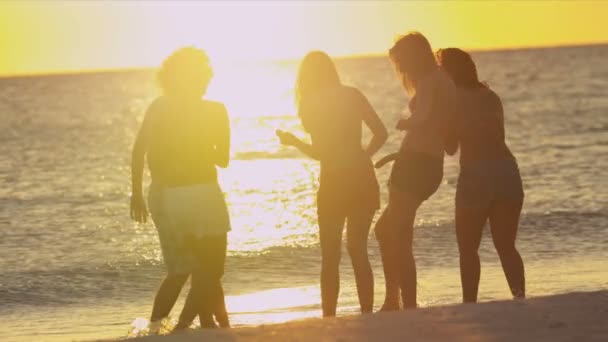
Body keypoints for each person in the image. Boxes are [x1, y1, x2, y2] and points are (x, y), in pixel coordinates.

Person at [277, 51, 388, 317]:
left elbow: (320, 153)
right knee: (358, 249)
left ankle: (329, 318)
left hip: (334, 183)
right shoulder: (353, 94)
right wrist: (364, 157)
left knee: (330, 256)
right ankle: (367, 314)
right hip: (362, 178)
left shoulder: (310, 104)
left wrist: (294, 142)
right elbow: (381, 133)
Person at [130, 47, 231, 332]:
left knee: (201, 270)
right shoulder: (175, 108)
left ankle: (199, 324)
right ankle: (169, 326)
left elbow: (222, 158)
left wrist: (136, 192)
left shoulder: (203, 109)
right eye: (199, 75)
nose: (203, 80)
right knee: (196, 269)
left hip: (189, 193)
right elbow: (140, 151)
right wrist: (136, 193)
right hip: (185, 194)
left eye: (204, 75)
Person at [374, 32, 457, 310]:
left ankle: (401, 301)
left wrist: (404, 124)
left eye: (403, 62)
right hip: (427, 163)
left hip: (416, 164)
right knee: (390, 231)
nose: (402, 69)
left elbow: (424, 118)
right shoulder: (442, 79)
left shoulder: (430, 80)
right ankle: (397, 299)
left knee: (393, 232)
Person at [437, 48, 525, 303]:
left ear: (448, 71)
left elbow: (451, 147)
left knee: (468, 249)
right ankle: (520, 297)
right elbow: (497, 135)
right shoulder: (491, 95)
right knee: (506, 247)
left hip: (476, 174)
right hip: (507, 171)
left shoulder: (451, 100)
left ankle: (470, 304)